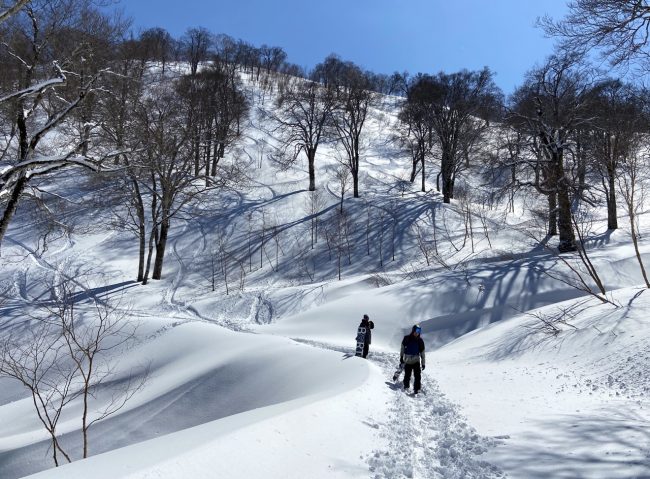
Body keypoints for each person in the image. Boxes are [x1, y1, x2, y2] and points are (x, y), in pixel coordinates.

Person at [400, 324, 425, 394]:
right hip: (407, 360)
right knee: (407, 375)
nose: (417, 333)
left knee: (417, 375)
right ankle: (406, 386)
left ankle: (417, 389)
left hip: (416, 360)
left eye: (419, 331)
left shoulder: (420, 341)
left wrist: (423, 363)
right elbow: (402, 348)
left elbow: (422, 353)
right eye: (416, 331)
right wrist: (401, 357)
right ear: (413, 330)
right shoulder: (406, 338)